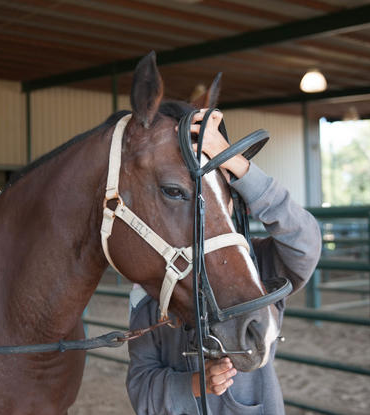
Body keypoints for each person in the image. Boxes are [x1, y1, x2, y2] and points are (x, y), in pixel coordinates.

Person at [126, 109, 322, 414]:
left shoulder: (259, 263)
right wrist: (195, 384)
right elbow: (141, 385)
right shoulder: (151, 288)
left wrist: (233, 161)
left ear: (229, 197)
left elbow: (305, 242)